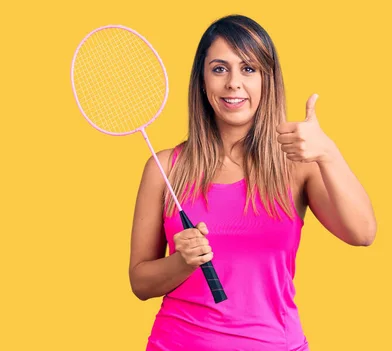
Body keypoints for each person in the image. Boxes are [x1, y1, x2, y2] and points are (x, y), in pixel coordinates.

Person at [128, 14, 377, 351]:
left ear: (267, 80)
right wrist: (181, 262)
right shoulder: (164, 168)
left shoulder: (296, 164)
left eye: (249, 69)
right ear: (202, 81)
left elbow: (362, 233)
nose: (233, 83)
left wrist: (328, 154)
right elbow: (140, 282)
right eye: (219, 69)